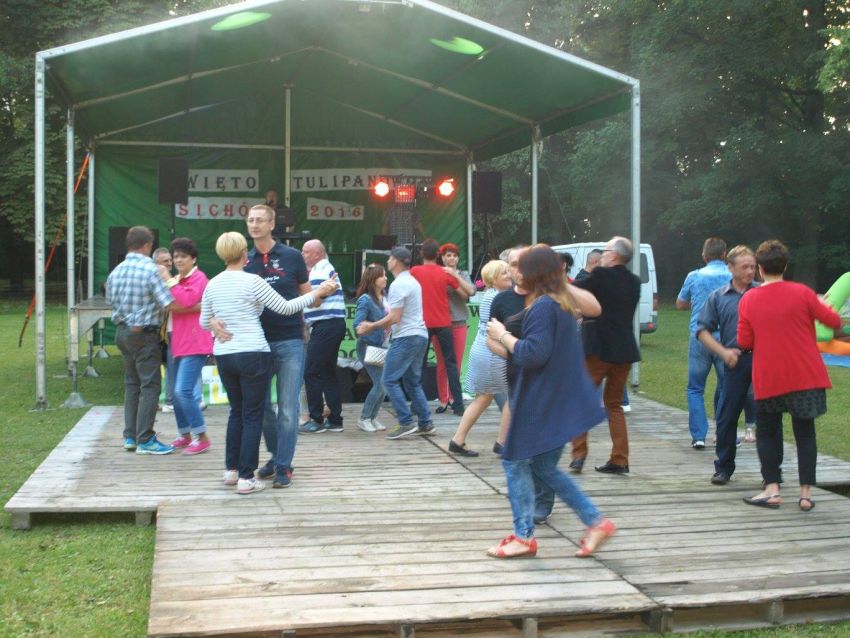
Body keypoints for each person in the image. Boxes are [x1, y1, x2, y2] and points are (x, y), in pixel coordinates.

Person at [484, 245, 613, 559]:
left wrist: (502, 335)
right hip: (558, 399)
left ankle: (524, 537)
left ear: (535, 273)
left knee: (514, 462)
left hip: (540, 402)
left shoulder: (543, 307)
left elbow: (533, 355)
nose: (514, 272)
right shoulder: (561, 303)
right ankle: (596, 522)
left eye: (520, 267)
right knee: (543, 467)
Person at [200, 232, 338, 495]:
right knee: (253, 415)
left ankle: (231, 470)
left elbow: (204, 321)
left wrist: (214, 323)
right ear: (244, 253)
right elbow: (285, 307)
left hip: (224, 354)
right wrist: (318, 292)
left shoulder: (212, 283)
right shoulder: (252, 281)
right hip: (252, 351)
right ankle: (246, 477)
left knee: (237, 412)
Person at [210, 204, 312, 488]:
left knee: (288, 408)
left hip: (290, 340)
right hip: (255, 345)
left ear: (272, 224)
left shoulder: (292, 256)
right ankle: (278, 456)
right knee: (261, 408)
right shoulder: (243, 259)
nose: (254, 225)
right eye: (250, 220)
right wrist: (213, 321)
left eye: (259, 220)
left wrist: (320, 295)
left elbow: (308, 296)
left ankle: (283, 466)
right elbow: (221, 301)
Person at [738, 240, 844, 511]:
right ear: (785, 265)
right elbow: (834, 322)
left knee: (767, 432)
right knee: (805, 433)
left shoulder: (748, 299)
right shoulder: (803, 293)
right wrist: (824, 305)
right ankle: (805, 495)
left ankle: (772, 489)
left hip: (769, 376)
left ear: (760, 269)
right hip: (806, 375)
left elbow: (744, 342)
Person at [571, 236, 641, 475]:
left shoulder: (600, 276)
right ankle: (620, 458)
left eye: (606, 250)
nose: (602, 253)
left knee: (580, 399)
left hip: (598, 349)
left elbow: (576, 288)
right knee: (614, 404)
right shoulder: (634, 281)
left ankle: (579, 454)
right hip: (624, 350)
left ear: (613, 255)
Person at [106, 226, 179, 455]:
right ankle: (145, 438)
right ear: (148, 245)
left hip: (122, 332)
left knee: (132, 384)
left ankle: (130, 436)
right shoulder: (151, 270)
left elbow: (110, 300)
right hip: (145, 334)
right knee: (150, 385)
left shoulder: (116, 271)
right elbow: (169, 302)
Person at [696, 245, 760, 485]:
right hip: (736, 360)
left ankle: (771, 474)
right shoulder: (719, 297)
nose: (750, 271)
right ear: (730, 268)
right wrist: (722, 352)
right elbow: (702, 331)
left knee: (768, 415)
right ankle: (723, 468)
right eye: (745, 267)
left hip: (763, 360)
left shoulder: (762, 293)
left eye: (753, 267)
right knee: (727, 415)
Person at [356, 246, 433, 440]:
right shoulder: (412, 281)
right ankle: (425, 422)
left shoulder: (399, 284)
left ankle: (406, 422)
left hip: (406, 337)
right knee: (412, 382)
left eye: (390, 258)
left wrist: (371, 326)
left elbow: (395, 317)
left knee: (388, 380)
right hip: (420, 335)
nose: (388, 261)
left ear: (396, 261)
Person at [448, 259, 511, 457]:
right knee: (514, 397)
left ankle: (458, 440)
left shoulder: (490, 295)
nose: (509, 275)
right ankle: (502, 442)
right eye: (504, 273)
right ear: (493, 278)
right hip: (493, 353)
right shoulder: (498, 298)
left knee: (483, 398)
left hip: (485, 351)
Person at [158, 237, 213, 456]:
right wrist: (176, 300)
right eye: (176, 257)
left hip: (195, 341)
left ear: (193, 259)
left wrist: (168, 281)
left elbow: (186, 301)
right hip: (177, 340)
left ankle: (202, 437)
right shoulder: (178, 279)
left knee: (183, 390)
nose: (178, 260)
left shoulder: (199, 278)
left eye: (183, 256)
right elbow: (169, 304)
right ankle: (185, 434)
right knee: (175, 392)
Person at [677, 237, 731, 449]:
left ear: (704, 255)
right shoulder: (732, 275)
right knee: (726, 386)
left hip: (700, 335)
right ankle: (722, 432)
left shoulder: (694, 276)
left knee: (695, 387)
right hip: (726, 337)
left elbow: (680, 303)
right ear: (724, 254)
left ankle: (699, 436)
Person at [411, 239, 466, 416]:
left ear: (421, 254)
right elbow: (464, 294)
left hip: (423, 324)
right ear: (438, 255)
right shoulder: (444, 273)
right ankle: (458, 405)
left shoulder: (414, 272)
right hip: (444, 323)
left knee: (419, 364)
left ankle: (416, 406)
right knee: (451, 364)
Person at [300, 239, 347, 433]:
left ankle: (316, 419)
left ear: (317, 253)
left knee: (311, 372)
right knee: (327, 372)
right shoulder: (325, 268)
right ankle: (335, 419)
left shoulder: (319, 271)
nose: (302, 254)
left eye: (305, 251)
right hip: (332, 324)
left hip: (325, 325)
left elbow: (314, 300)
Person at [437, 242, 476, 412]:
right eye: (448, 255)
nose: (452, 258)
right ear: (442, 258)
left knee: (457, 362)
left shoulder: (463, 274)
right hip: (440, 322)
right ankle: (443, 399)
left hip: (459, 322)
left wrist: (455, 276)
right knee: (442, 363)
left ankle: (454, 397)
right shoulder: (437, 273)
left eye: (454, 255)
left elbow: (471, 292)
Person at [353, 263, 389, 432]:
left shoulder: (384, 297)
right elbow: (357, 325)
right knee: (380, 383)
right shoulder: (365, 300)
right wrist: (368, 327)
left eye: (385, 275)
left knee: (384, 384)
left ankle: (372, 417)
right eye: (382, 275)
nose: (385, 278)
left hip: (381, 346)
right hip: (368, 346)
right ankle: (364, 418)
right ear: (373, 279)